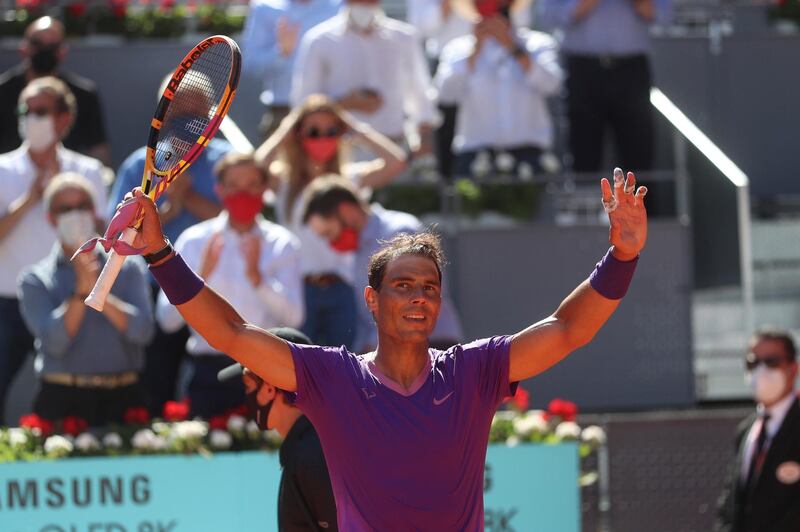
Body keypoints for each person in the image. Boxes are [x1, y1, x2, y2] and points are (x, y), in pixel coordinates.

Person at [121, 164, 646, 529]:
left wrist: (621, 257)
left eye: (430, 288)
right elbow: (229, 334)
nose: (419, 297)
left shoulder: (473, 371)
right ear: (371, 300)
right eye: (403, 285)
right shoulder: (333, 378)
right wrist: (160, 252)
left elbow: (568, 328)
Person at [107, 74, 228, 417]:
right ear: (163, 113)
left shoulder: (226, 162)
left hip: (217, 290)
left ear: (210, 114)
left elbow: (242, 217)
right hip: (155, 288)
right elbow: (119, 229)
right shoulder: (139, 164)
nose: (189, 122)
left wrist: (188, 195)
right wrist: (170, 207)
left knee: (216, 385)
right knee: (155, 383)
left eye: (197, 113)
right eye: (179, 112)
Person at [155, 152, 303, 419]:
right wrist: (200, 277)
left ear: (264, 189)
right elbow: (167, 321)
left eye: (252, 185)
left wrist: (259, 279)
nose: (243, 193)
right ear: (219, 190)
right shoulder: (194, 241)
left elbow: (295, 317)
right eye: (234, 185)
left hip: (267, 371)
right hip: (208, 373)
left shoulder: (282, 243)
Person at [255, 94, 406, 349]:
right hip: (299, 288)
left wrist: (355, 129)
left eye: (331, 130)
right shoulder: (286, 182)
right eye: (313, 131)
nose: (322, 137)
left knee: (344, 368)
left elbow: (397, 162)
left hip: (343, 288)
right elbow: (255, 168)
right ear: (299, 134)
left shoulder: (350, 178)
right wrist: (287, 128)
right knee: (299, 367)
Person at [0, 76, 108, 426]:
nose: (31, 118)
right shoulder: (2, 170)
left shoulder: (88, 171)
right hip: (9, 302)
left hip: (72, 300)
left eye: (41, 111)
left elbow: (105, 238)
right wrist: (30, 199)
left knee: (73, 395)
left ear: (64, 118)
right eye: (25, 110)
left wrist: (70, 201)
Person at [17, 173, 153, 426]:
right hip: (63, 399)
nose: (76, 214)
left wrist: (98, 291)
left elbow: (143, 332)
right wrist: (81, 294)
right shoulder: (34, 279)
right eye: (65, 209)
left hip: (123, 398)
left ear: (94, 211)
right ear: (51, 218)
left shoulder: (129, 268)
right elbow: (53, 343)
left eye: (82, 206)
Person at [301, 175, 462, 352]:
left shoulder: (400, 232)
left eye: (329, 232)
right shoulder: (357, 251)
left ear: (346, 211)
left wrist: (371, 350)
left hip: (429, 347)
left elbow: (413, 300)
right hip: (390, 355)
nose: (330, 242)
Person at [217, 327, 337, 531]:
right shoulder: (311, 447)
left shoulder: (313, 454)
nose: (247, 396)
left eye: (248, 386)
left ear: (270, 388)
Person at [291, 0, 439, 159]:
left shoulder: (404, 37)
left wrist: (423, 136)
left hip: (393, 146)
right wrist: (346, 103)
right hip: (342, 149)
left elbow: (419, 91)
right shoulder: (319, 40)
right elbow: (303, 103)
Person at [537, 0, 671, 174]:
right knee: (584, 156)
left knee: (639, 156)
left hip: (631, 70)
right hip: (583, 69)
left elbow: (665, 16)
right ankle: (585, 200)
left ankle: (639, 202)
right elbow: (547, 16)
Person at [435, 0, 562, 177]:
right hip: (476, 157)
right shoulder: (458, 49)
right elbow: (446, 95)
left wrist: (511, 46)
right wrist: (475, 50)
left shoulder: (538, 43)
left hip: (530, 155)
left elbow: (552, 85)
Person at [715, 329, 800, 532]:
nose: (761, 370)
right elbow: (730, 504)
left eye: (771, 361)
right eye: (753, 362)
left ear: (793, 368)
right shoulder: (746, 431)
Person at [0, 16, 110, 164]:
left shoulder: (84, 95)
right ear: (23, 48)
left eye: (52, 46)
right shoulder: (3, 91)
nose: (45, 51)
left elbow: (99, 152)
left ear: (67, 117)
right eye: (26, 111)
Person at [241, 0, 341, 138]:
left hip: (332, 112)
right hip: (282, 112)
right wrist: (282, 52)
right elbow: (250, 65)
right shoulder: (264, 7)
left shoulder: (338, 5)